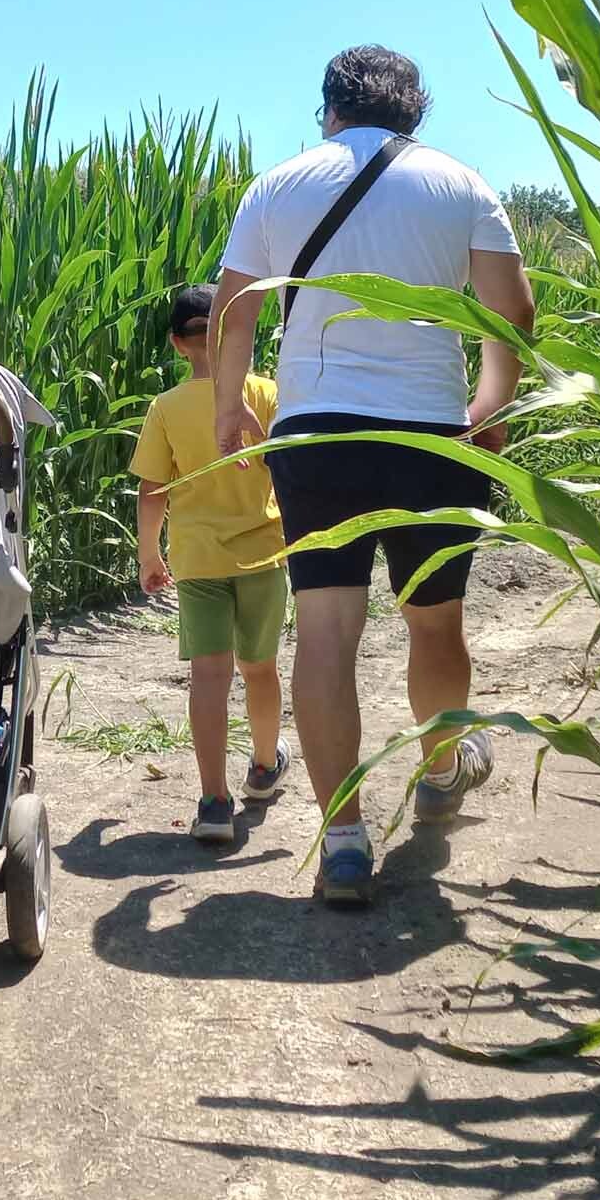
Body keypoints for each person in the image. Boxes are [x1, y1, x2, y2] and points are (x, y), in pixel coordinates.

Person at [210, 45, 534, 909]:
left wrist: (228, 411)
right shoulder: (462, 183)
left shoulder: (277, 185)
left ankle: (344, 840)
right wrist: (489, 406)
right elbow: (514, 311)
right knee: (436, 622)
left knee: (326, 630)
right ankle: (441, 770)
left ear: (330, 108)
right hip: (432, 433)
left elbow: (235, 315)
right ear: (414, 110)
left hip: (316, 433)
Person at [131, 285, 292, 845]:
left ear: (177, 344)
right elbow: (288, 469)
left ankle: (214, 801)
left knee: (209, 676)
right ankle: (265, 767)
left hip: (198, 559)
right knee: (260, 668)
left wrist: (149, 555)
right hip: (265, 553)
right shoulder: (265, 394)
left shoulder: (167, 408)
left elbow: (153, 491)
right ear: (233, 334)